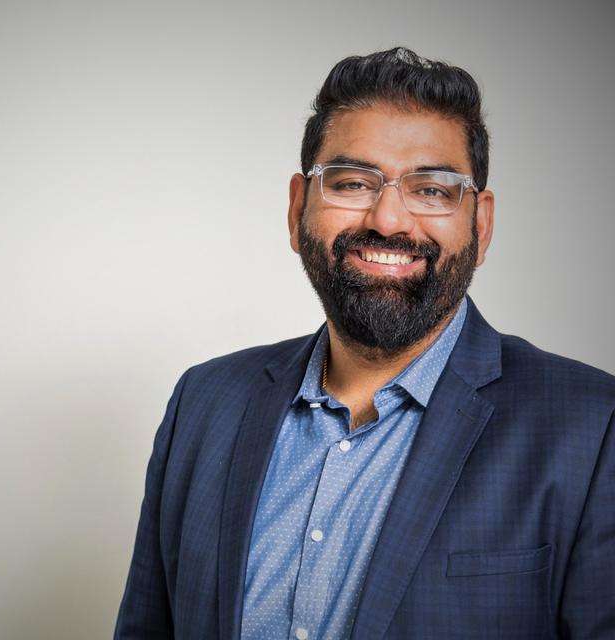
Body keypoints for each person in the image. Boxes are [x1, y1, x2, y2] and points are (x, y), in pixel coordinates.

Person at [114, 47, 615, 639]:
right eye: (353, 182)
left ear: (480, 225)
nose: (388, 220)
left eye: (431, 190)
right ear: (299, 207)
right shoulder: (204, 402)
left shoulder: (592, 426)